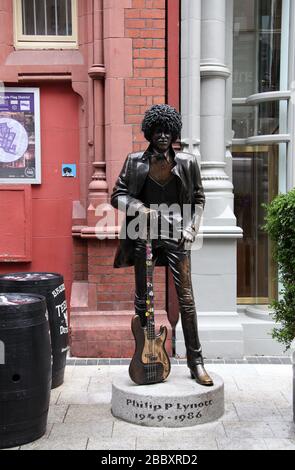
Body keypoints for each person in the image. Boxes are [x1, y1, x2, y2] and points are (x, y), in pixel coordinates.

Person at [111, 104, 213, 386]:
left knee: (187, 299)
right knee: (142, 298)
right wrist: (139, 208)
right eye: (158, 130)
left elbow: (199, 199)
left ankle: (197, 363)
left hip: (177, 232)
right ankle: (145, 358)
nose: (163, 136)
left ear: (174, 133)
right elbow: (116, 194)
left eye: (167, 131)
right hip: (143, 233)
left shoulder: (188, 163)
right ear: (149, 132)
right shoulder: (135, 162)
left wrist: (192, 227)